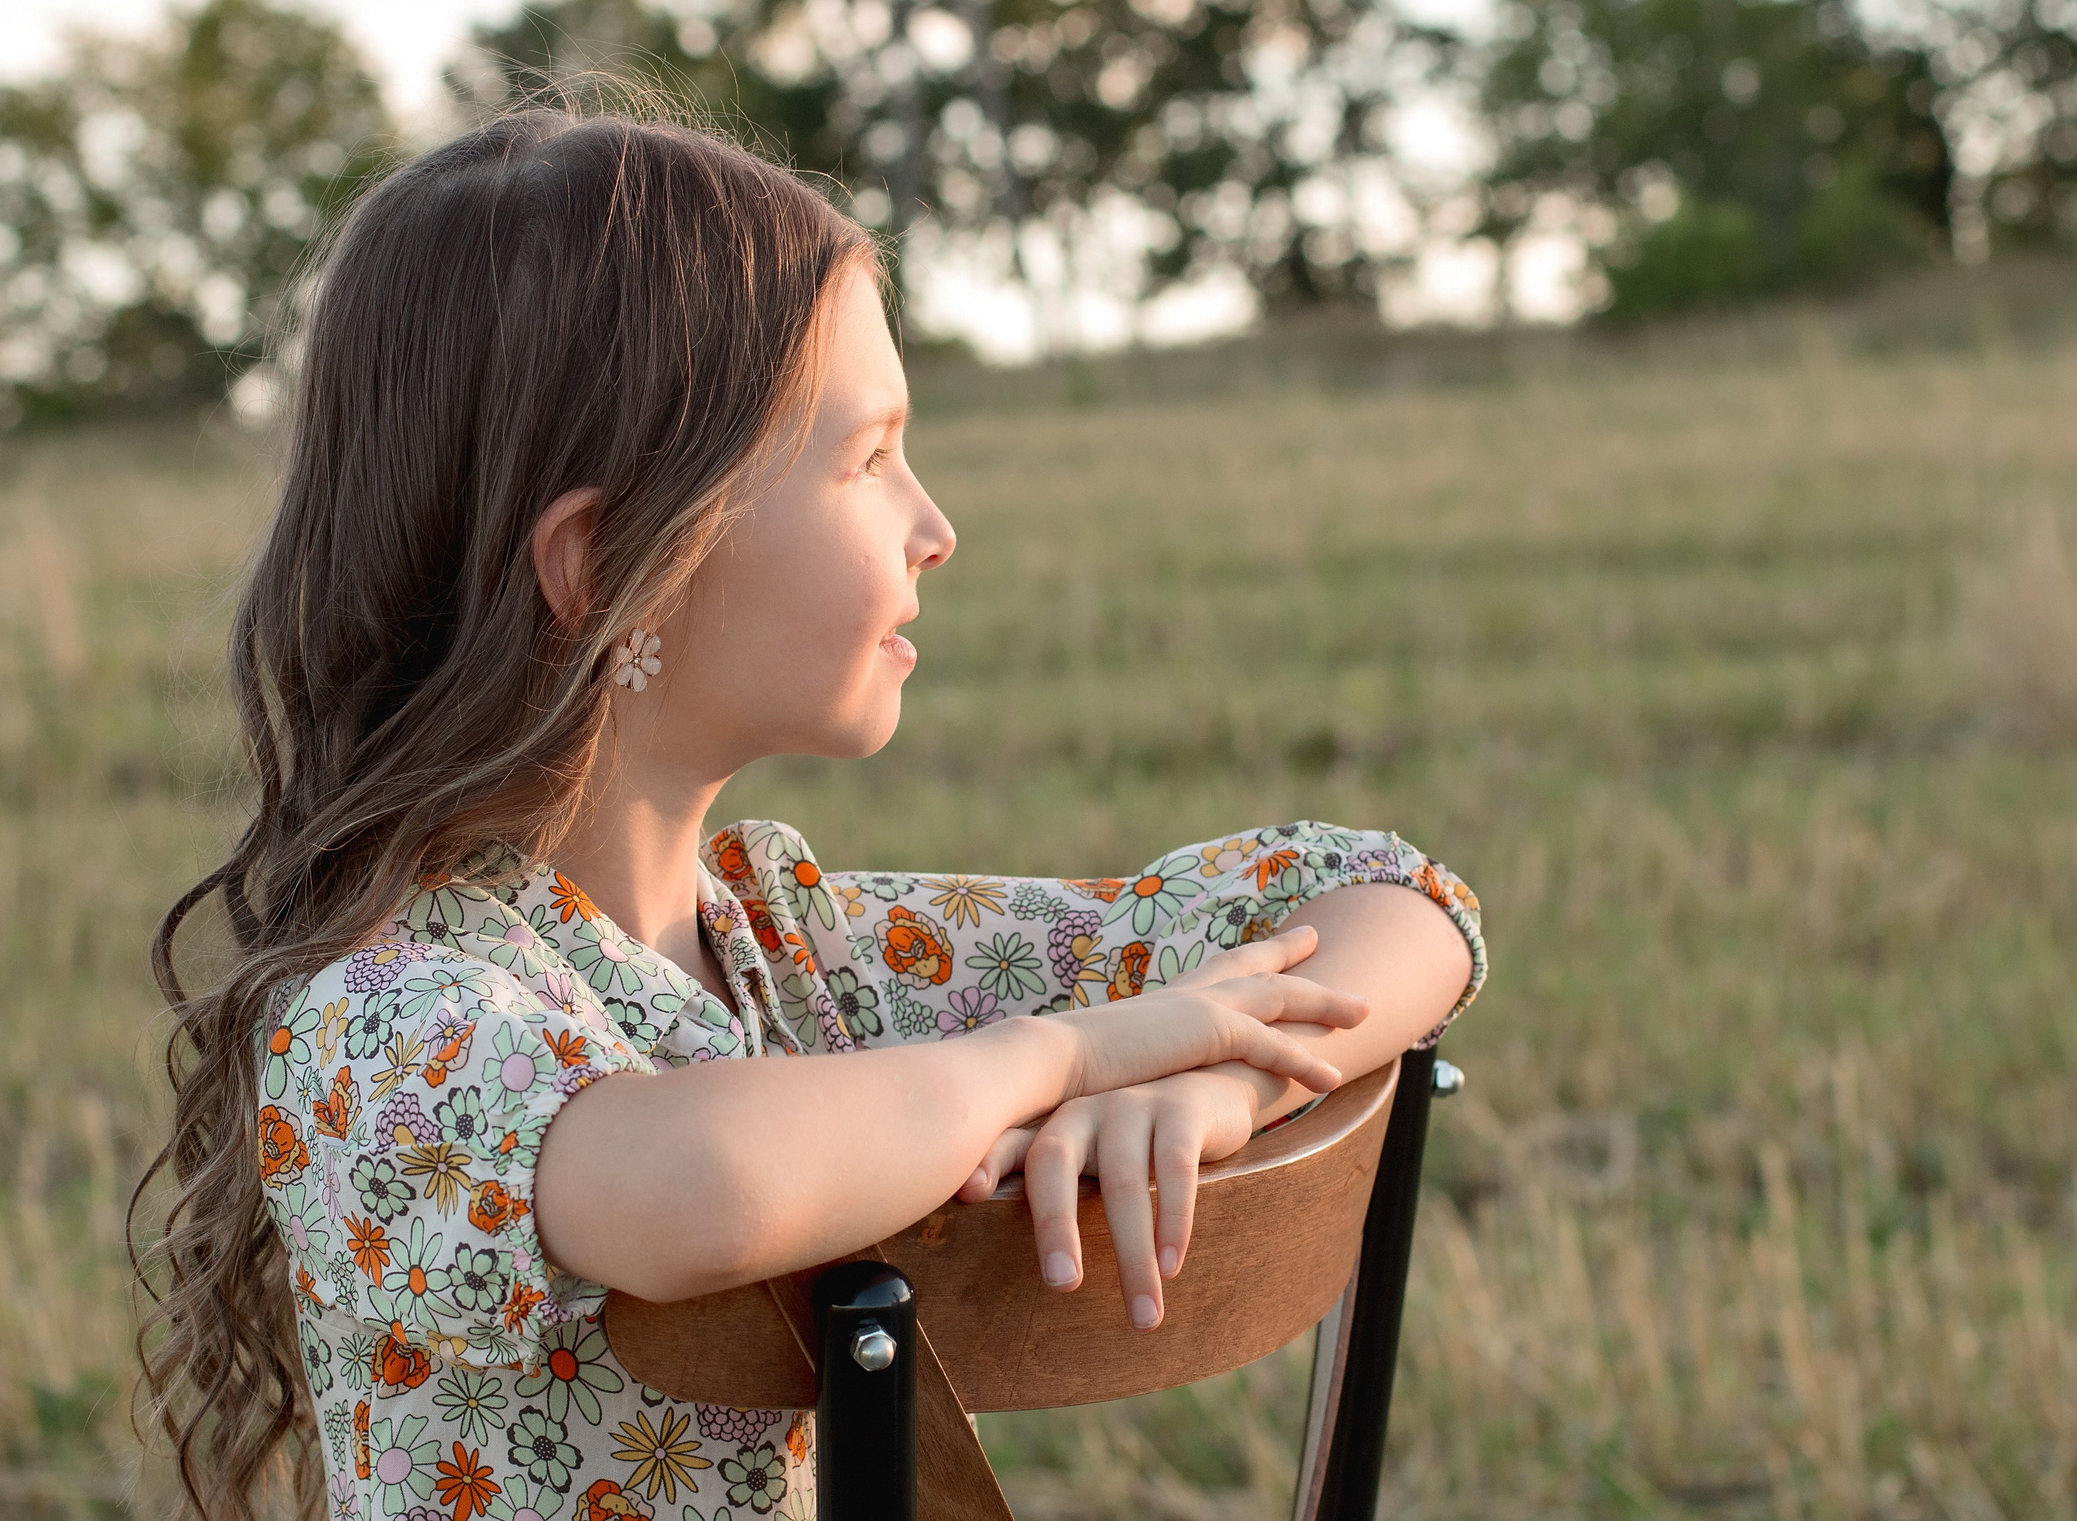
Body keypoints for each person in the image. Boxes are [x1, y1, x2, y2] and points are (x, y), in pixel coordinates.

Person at [137, 109, 1487, 1521]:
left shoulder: (800, 955)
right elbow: (707, 1182)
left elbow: (1397, 896)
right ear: (607, 568)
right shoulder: (381, 1023)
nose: (935, 523)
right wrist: (1070, 1052)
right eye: (868, 459)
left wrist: (1220, 1078)